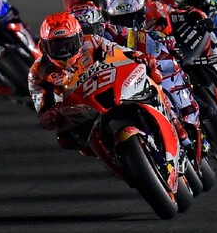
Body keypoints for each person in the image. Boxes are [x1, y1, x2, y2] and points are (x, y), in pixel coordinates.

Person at [28, 12, 170, 156]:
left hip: (110, 88)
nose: (64, 51)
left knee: (153, 75)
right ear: (44, 47)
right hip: (80, 109)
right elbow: (42, 115)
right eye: (56, 47)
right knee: (66, 140)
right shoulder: (37, 72)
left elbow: (124, 53)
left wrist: (142, 58)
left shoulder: (92, 42)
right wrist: (50, 116)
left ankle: (174, 122)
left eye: (68, 44)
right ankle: (110, 155)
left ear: (79, 38)